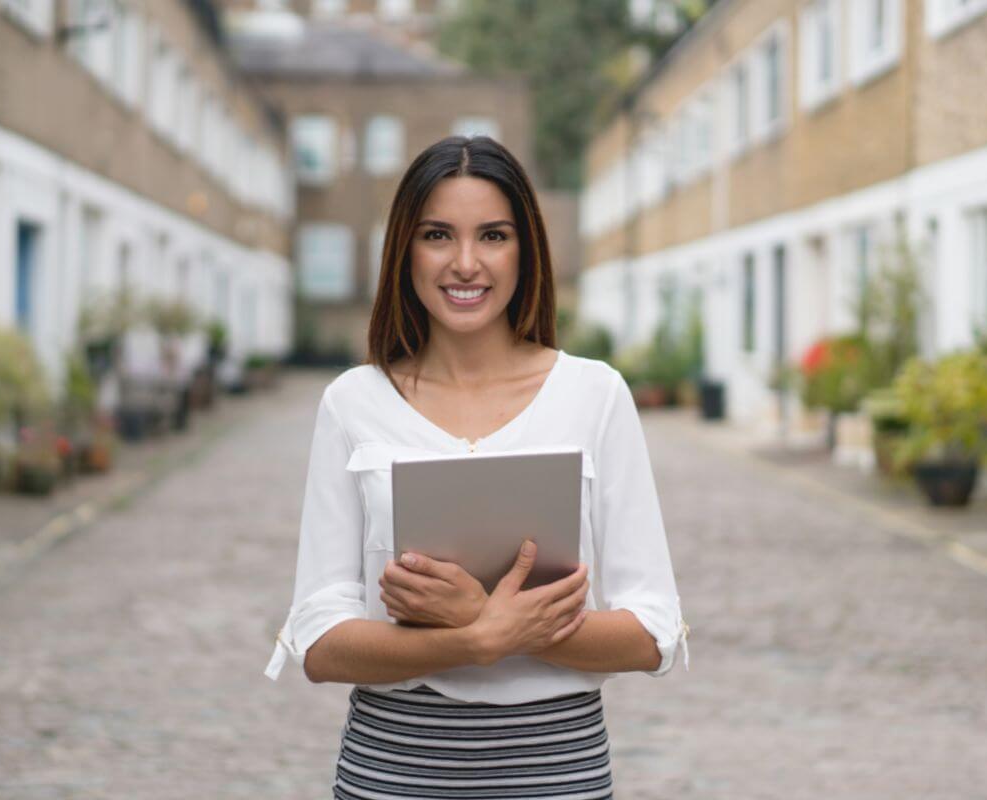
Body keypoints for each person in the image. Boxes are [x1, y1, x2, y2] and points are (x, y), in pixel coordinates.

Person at [264, 135, 689, 799]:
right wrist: (474, 638)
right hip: (393, 771)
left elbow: (650, 633)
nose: (466, 264)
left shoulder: (595, 396)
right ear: (405, 247)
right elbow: (320, 645)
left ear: (527, 250)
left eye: (493, 235)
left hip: (558, 771)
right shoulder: (352, 403)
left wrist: (485, 619)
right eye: (438, 235)